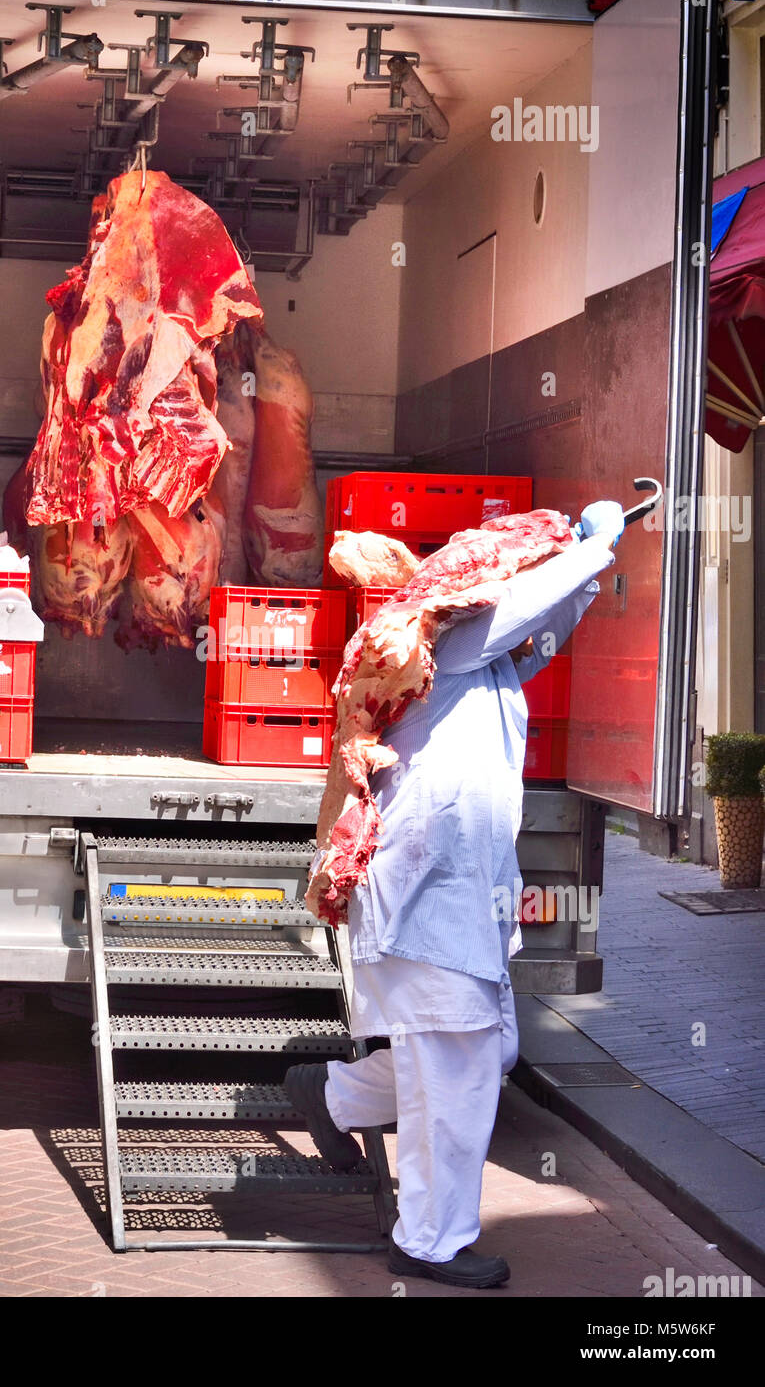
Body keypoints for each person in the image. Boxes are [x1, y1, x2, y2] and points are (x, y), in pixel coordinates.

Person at [284, 500, 626, 1289]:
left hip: (454, 899)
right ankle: (428, 1240)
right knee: (460, 1066)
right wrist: (589, 553)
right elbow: (513, 614)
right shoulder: (433, 641)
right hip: (423, 900)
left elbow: (533, 634)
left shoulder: (481, 660)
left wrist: (578, 575)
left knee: (482, 1052)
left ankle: (333, 1094)